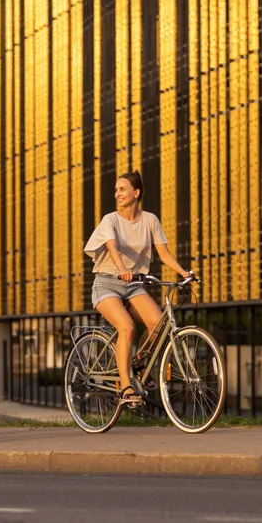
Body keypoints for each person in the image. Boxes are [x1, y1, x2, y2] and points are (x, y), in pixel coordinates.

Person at [83, 170, 193, 407]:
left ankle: (138, 363)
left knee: (158, 322)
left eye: (122, 189)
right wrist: (122, 267)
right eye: (116, 190)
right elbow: (111, 246)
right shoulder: (110, 220)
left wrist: (185, 273)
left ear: (136, 192)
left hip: (133, 286)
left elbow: (163, 253)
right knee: (127, 327)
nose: (117, 194)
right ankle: (125, 386)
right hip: (107, 284)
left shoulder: (150, 220)